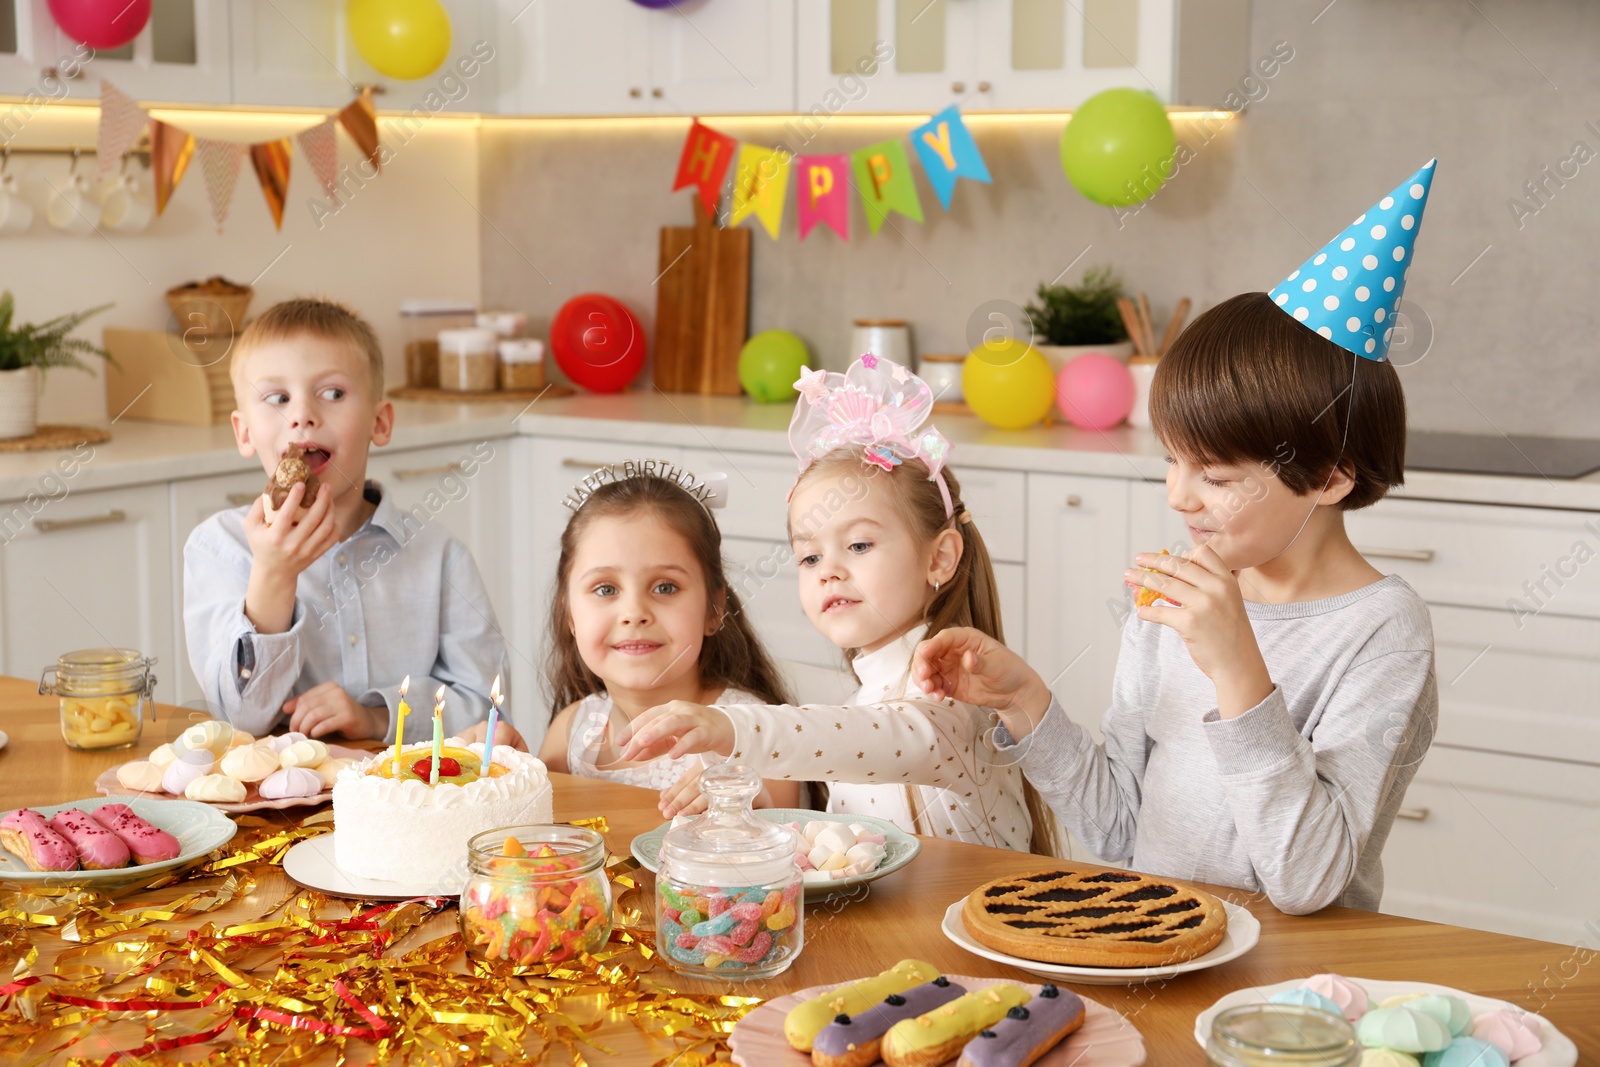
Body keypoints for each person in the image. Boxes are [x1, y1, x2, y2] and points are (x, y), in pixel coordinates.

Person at [915, 161, 1442, 913]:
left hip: (1287, 991)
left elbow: (1310, 884)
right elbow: (1118, 833)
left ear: (1330, 476)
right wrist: (1028, 703)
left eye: (1217, 475)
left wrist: (1237, 668)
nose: (1178, 494)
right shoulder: (1175, 598)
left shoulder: (1382, 631)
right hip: (1161, 943)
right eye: (1171, 458)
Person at [620, 355, 1053, 855]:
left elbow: (871, 737)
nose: (828, 570)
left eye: (860, 545)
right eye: (808, 555)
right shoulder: (860, 704)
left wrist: (731, 728)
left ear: (940, 558)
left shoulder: (954, 696)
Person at [184, 297, 505, 741]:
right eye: (277, 398)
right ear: (244, 432)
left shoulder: (438, 555)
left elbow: (488, 714)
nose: (301, 416)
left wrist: (377, 719)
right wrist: (274, 574)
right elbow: (239, 718)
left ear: (380, 423)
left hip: (410, 798)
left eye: (333, 393)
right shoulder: (219, 547)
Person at [535, 463, 798, 807]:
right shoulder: (569, 732)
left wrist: (748, 799)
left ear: (714, 610)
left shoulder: (757, 734)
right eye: (605, 589)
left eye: (665, 587)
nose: (634, 613)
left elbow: (786, 846)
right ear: (569, 613)